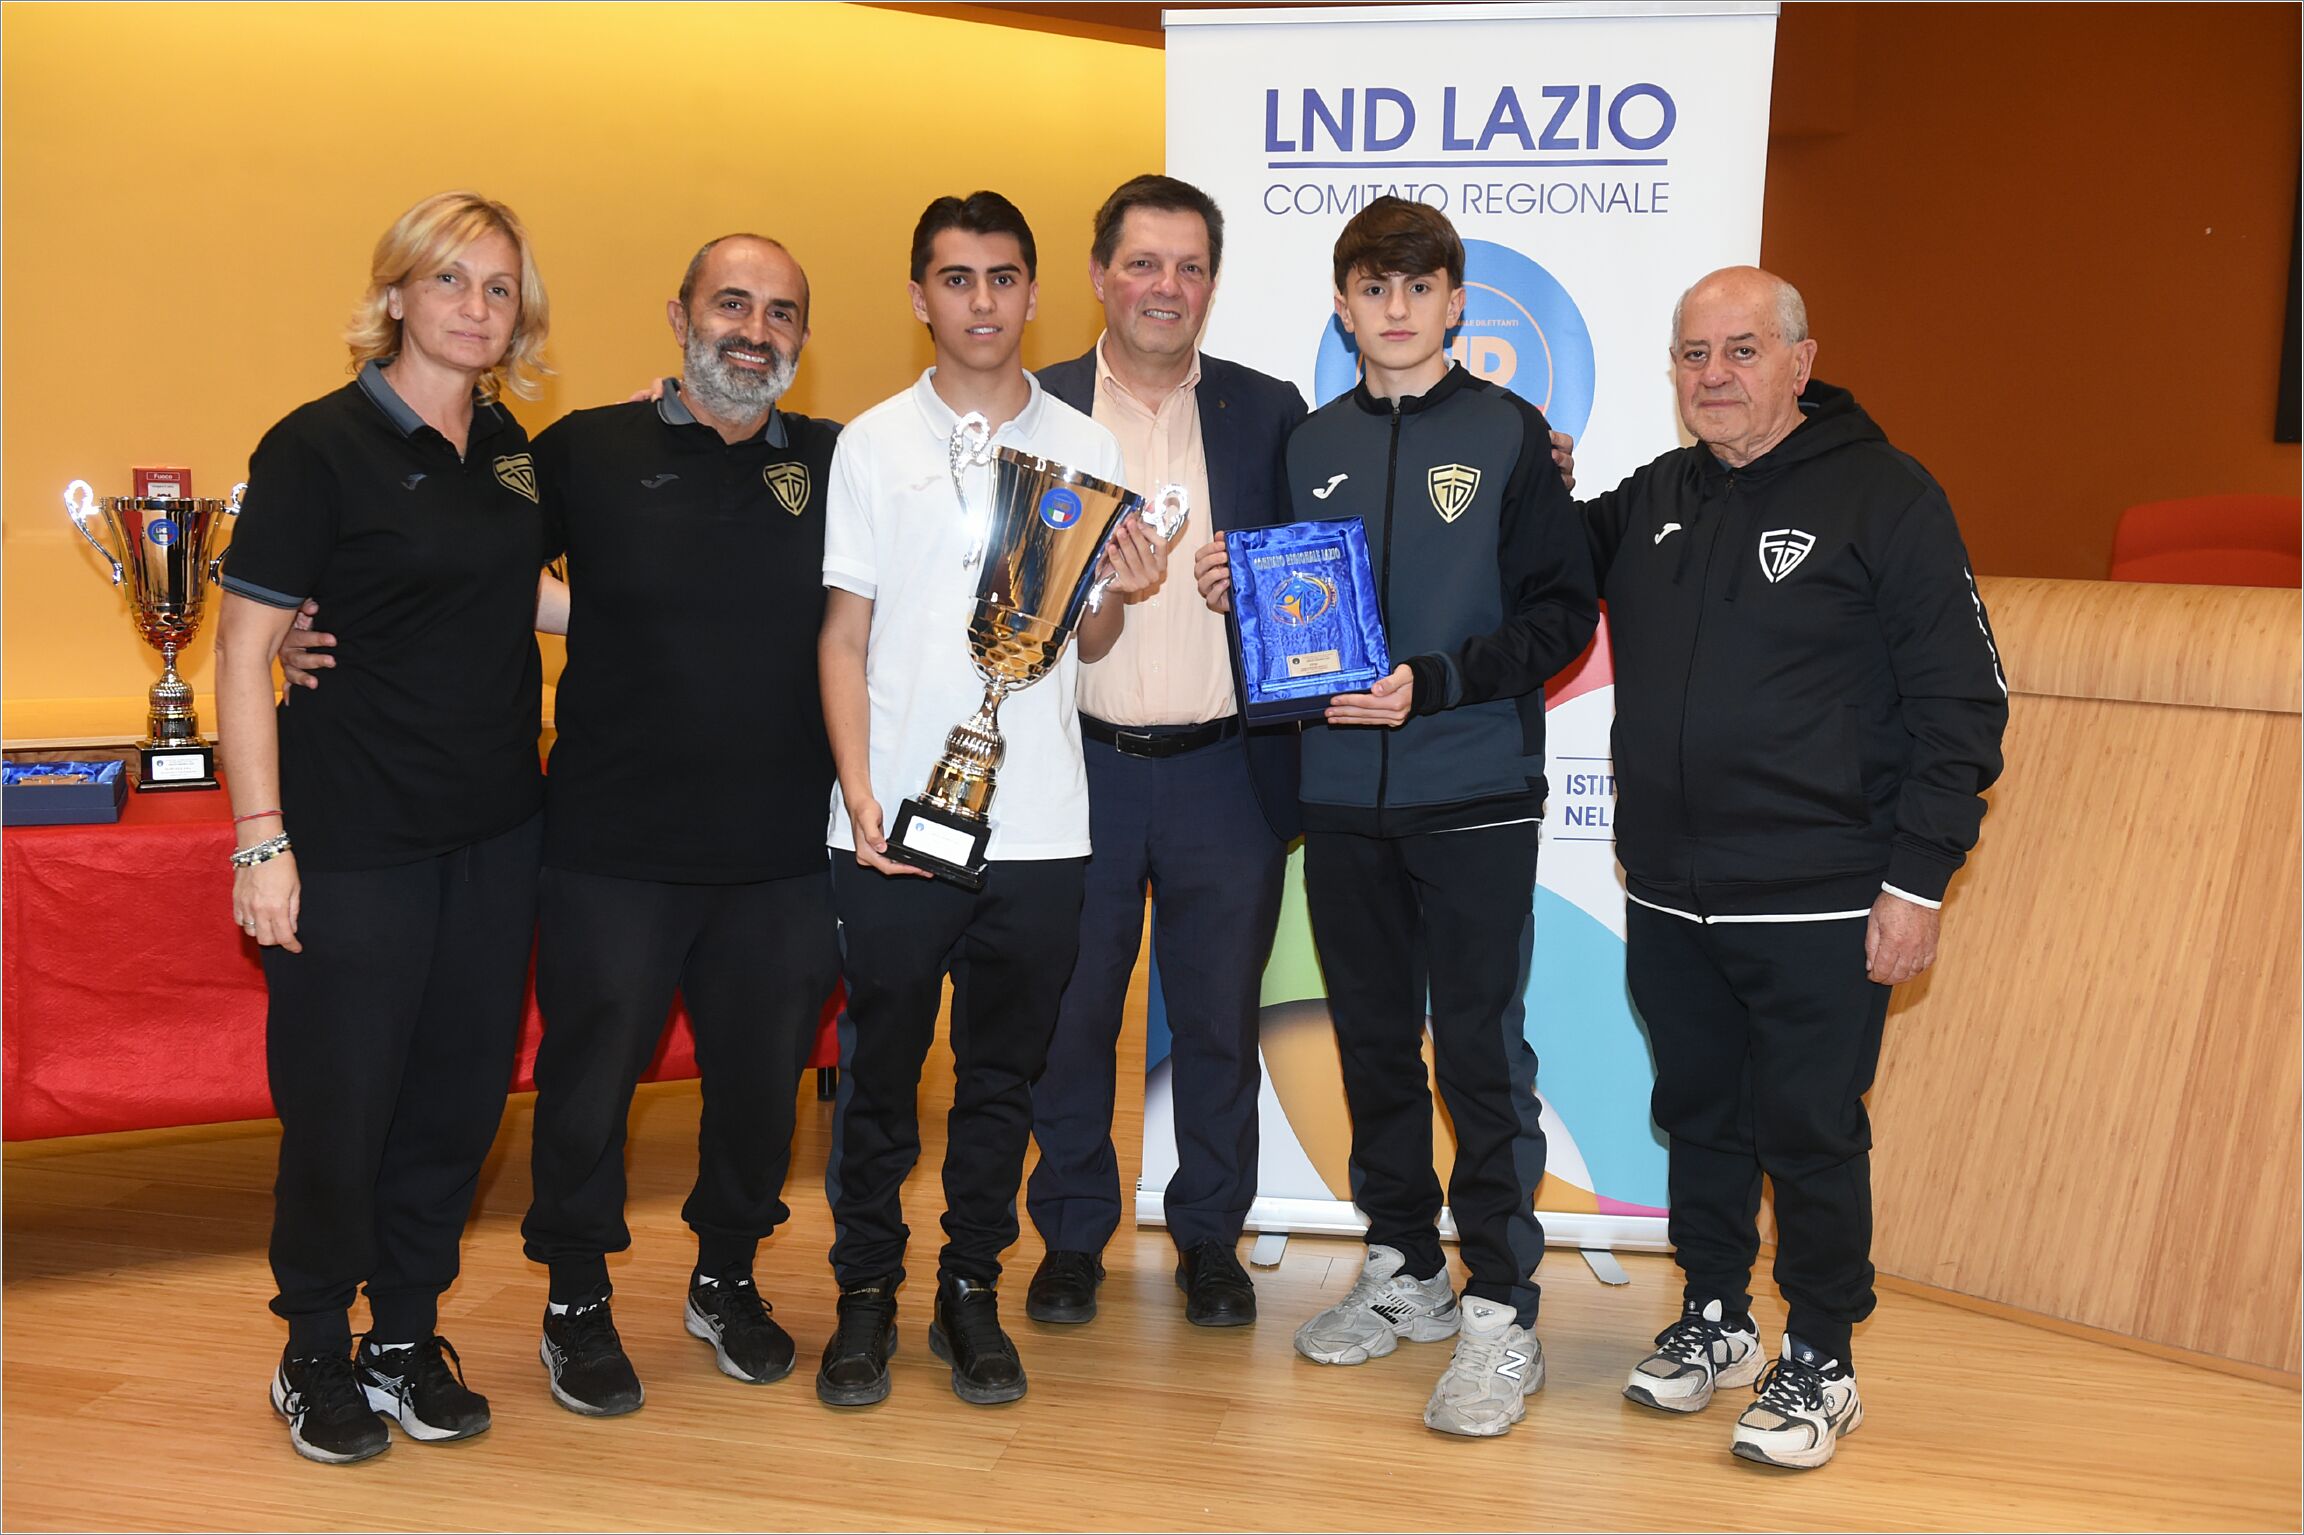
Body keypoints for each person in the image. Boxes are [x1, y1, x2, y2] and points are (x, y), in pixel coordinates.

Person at [277, 234, 844, 1418]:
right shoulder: (582, 449)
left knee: (760, 1092)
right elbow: (459, 553)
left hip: (785, 848)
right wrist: (293, 612)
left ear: (802, 333)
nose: (754, 330)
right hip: (607, 845)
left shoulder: (842, 461)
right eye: (730, 303)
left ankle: (727, 1275)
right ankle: (576, 1298)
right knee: (587, 1091)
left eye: (781, 311)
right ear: (680, 315)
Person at [1588, 266, 2007, 1470]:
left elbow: (1965, 704)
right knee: (1700, 1113)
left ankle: (1822, 1351)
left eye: (1742, 350)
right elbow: (1530, 559)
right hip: (1670, 891)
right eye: (1694, 354)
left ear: (1801, 361)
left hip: (1825, 896)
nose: (1715, 375)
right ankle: (1717, 1311)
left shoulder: (1887, 494)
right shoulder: (1654, 497)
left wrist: (1917, 882)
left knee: (1811, 1130)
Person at [1200, 196, 1597, 1438]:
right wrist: (1238, 587)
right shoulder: (1307, 440)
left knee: (1478, 1053)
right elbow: (1293, 613)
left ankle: (1505, 1305)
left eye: (1420, 288)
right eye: (1374, 288)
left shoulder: (1510, 433)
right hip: (1339, 797)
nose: (1397, 308)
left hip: (1472, 790)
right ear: (1344, 304)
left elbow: (1559, 615)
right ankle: (1408, 1265)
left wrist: (1437, 681)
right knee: (1372, 1043)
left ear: (1456, 302)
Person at [215, 190, 554, 1464]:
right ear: (397, 292)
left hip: (497, 835)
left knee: (459, 1103)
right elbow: (242, 647)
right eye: (451, 279)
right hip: (354, 840)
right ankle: (313, 1343)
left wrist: (683, 596)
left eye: (500, 287)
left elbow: (517, 588)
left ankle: (405, 1333)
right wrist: (262, 840)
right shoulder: (317, 446)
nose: (477, 306)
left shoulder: (511, 445)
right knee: (342, 1108)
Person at [813, 190, 1159, 1408]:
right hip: (893, 826)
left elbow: (1087, 637)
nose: (982, 301)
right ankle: (865, 1294)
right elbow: (842, 635)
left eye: (1003, 277)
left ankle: (970, 1287)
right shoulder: (872, 444)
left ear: (1033, 292)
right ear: (921, 295)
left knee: (1003, 1079)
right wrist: (859, 793)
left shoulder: (1088, 444)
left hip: (1043, 826)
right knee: (881, 1076)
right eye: (957, 279)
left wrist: (1125, 588)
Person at [1022, 174, 1308, 1330]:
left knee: (1219, 1022)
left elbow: (1320, 574)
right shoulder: (1038, 406)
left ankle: (1210, 1240)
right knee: (1071, 1016)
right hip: (1075, 769)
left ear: (1212, 285)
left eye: (1189, 267)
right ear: (1100, 275)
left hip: (1226, 771)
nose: (1165, 286)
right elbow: (993, 595)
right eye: (1143, 262)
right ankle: (1071, 1236)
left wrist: (1261, 591)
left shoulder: (1268, 410)